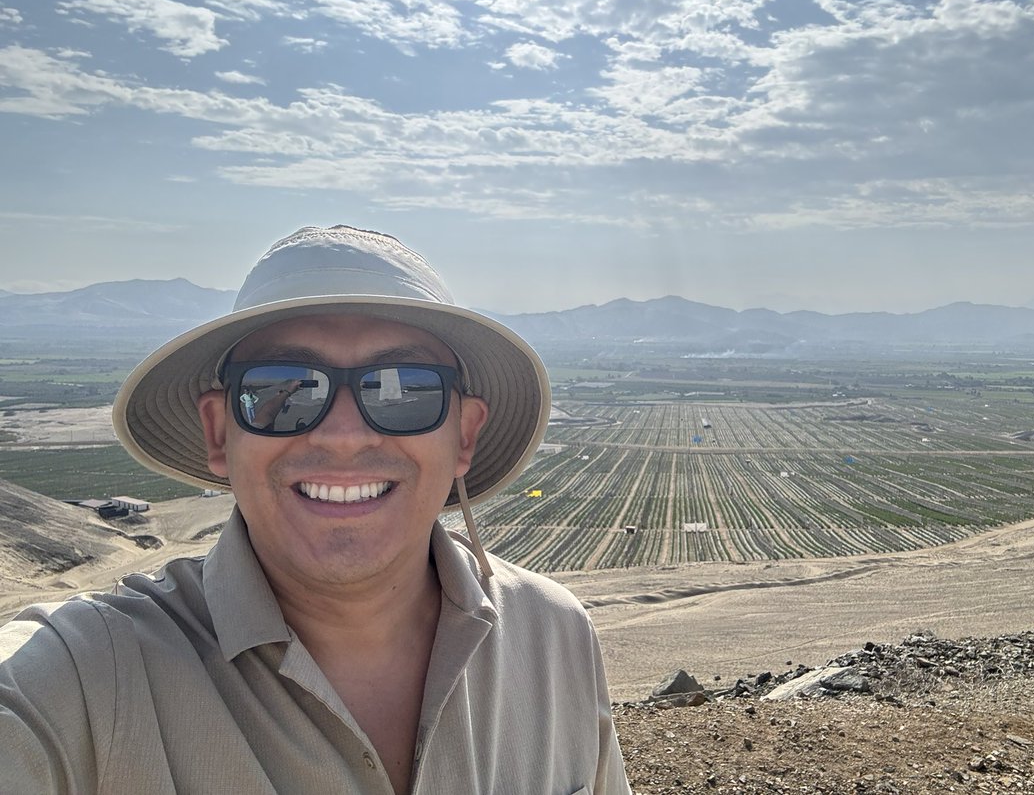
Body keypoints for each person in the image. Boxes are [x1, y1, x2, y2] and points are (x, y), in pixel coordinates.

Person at [0, 225, 630, 794]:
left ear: (464, 435)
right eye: (285, 388)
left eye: (405, 389)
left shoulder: (555, 636)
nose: (344, 436)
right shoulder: (73, 680)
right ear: (220, 432)